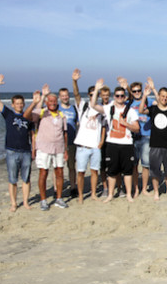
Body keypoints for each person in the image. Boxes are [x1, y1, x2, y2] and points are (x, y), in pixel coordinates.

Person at [90, 79, 140, 203]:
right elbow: (93, 105)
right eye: (117, 96)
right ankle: (110, 194)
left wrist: (126, 124)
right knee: (112, 171)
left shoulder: (131, 111)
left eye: (122, 96)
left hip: (127, 144)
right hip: (112, 144)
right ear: (114, 97)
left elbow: (137, 128)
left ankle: (128, 194)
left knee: (127, 171)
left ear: (125, 97)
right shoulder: (108, 108)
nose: (120, 98)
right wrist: (96, 89)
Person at [0, 74, 34, 212]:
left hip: (26, 151)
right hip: (11, 151)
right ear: (13, 104)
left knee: (26, 179)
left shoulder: (27, 117)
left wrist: (33, 149)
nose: (20, 105)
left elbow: (32, 135)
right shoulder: (8, 114)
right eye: (17, 103)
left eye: (21, 103)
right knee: (12, 179)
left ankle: (26, 202)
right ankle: (13, 203)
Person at [31, 86, 69, 211]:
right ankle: (43, 200)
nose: (52, 103)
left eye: (54, 101)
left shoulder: (61, 115)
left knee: (59, 172)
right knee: (43, 173)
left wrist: (65, 150)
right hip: (44, 148)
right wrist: (41, 97)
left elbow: (65, 133)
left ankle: (58, 198)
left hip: (58, 148)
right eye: (50, 101)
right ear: (47, 103)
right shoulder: (41, 112)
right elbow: (32, 117)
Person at [139, 80, 167, 200]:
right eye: (162, 96)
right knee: (155, 171)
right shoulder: (153, 109)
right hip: (155, 145)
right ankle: (156, 192)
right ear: (159, 97)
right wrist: (145, 95)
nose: (164, 99)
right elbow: (141, 111)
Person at [72, 69, 106, 203]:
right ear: (89, 94)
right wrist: (74, 81)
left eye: (96, 94)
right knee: (80, 172)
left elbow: (103, 126)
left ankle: (93, 194)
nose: (94, 95)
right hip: (82, 146)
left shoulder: (101, 108)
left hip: (95, 146)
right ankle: (80, 196)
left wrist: (101, 141)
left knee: (94, 171)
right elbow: (75, 94)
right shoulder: (83, 106)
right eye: (92, 93)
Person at [58, 85, 78, 197]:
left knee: (71, 166)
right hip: (58, 142)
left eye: (66, 95)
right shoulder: (56, 108)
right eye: (62, 96)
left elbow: (78, 123)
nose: (65, 97)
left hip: (71, 141)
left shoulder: (74, 108)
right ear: (59, 97)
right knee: (58, 167)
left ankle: (73, 187)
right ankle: (57, 189)